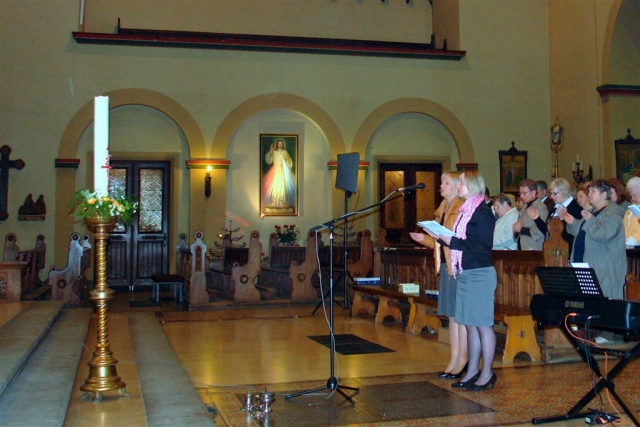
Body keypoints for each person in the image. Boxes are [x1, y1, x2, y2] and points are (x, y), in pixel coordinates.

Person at [423, 170, 497, 392]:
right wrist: (442, 238)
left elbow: (482, 247)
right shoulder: (466, 211)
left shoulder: (482, 212)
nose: (458, 186)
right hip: (465, 272)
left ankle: (487, 373)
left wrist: (451, 240)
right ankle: (472, 370)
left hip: (480, 273)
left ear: (473, 184)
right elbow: (462, 241)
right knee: (470, 326)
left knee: (483, 326)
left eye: (461, 182)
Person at [410, 171, 467, 379]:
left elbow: (458, 238)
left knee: (460, 316)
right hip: (445, 264)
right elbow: (440, 242)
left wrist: (439, 236)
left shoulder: (461, 207)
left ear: (457, 186)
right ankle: (454, 359)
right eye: (442, 182)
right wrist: (425, 239)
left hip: (457, 264)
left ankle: (463, 360)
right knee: (451, 315)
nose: (441, 185)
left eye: (446, 182)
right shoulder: (443, 208)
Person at [563, 179, 626, 300]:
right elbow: (583, 233)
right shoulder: (592, 211)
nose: (589, 194)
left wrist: (590, 220)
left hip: (602, 270)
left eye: (593, 191)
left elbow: (605, 234)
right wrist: (573, 222)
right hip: (583, 266)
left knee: (601, 305)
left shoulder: (613, 214)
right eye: (589, 191)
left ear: (604, 194)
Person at [527, 178, 582, 255]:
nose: (552, 196)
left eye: (555, 194)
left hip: (566, 252)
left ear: (564, 192)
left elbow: (572, 234)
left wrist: (563, 219)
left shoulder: (575, 209)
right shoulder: (555, 208)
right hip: (552, 251)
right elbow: (548, 232)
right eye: (551, 193)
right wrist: (537, 219)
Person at [513, 179, 548, 250]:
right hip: (522, 247)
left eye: (524, 193)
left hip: (534, 248)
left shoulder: (541, 207)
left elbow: (541, 231)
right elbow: (518, 227)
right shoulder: (524, 207)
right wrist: (516, 230)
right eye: (520, 193)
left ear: (533, 192)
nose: (521, 196)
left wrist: (521, 229)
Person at [262, 139, 296, 207]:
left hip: (282, 170)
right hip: (275, 170)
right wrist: (271, 152)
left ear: (282, 144)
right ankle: (274, 201)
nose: (280, 145)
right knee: (275, 185)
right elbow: (269, 161)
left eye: (281, 143)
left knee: (282, 186)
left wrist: (288, 159)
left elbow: (289, 161)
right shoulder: (274, 152)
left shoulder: (285, 151)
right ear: (277, 144)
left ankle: (281, 201)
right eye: (279, 143)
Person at [623, 176, 640, 247]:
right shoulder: (630, 210)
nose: (632, 198)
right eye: (631, 196)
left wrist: (628, 243)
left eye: (634, 195)